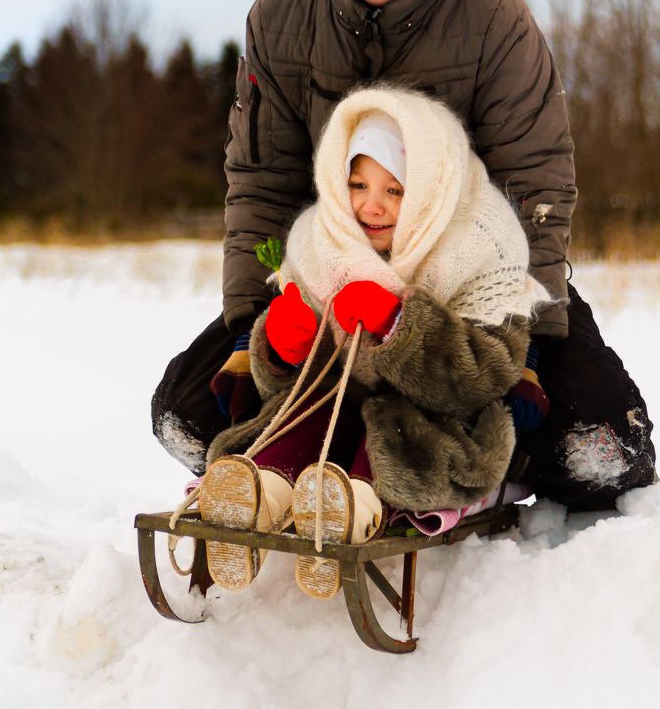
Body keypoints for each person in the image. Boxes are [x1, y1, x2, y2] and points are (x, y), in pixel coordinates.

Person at [153, 0, 655, 511]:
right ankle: (335, 456)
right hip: (334, 278)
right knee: (189, 417)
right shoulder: (281, 17)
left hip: (470, 279)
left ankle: (469, 457)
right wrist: (251, 323)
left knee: (599, 452)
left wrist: (527, 343)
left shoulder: (495, 19)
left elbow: (536, 183)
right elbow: (263, 181)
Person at [191, 86, 549, 598]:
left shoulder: (480, 243)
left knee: (396, 427)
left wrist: (402, 325)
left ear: (430, 190)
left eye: (395, 191)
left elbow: (488, 372)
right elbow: (285, 383)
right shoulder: (321, 239)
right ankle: (263, 490)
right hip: (340, 402)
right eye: (357, 184)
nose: (370, 206)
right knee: (307, 411)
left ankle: (350, 508)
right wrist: (282, 347)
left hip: (436, 417)